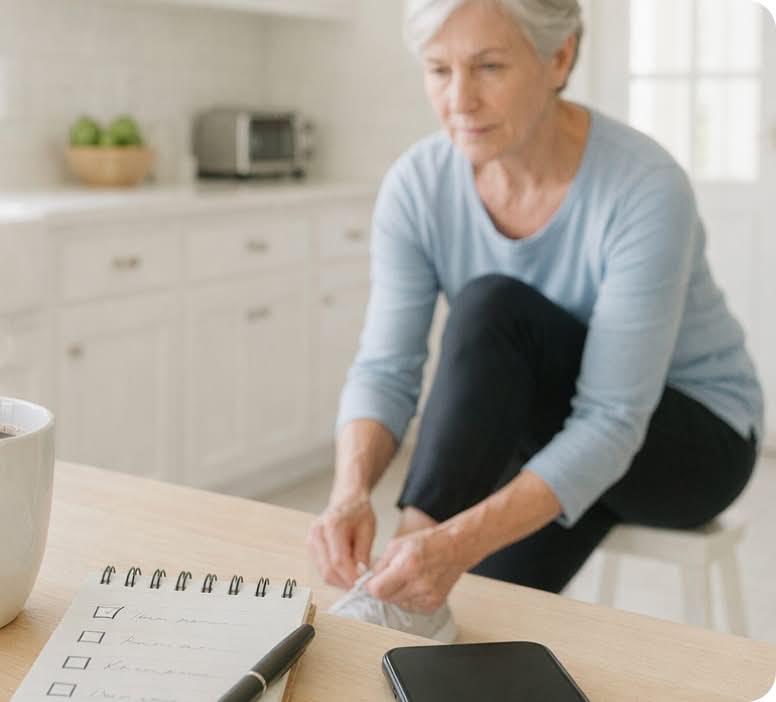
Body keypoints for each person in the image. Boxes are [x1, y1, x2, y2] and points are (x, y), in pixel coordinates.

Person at [309, 0, 764, 643]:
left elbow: (611, 419)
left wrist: (448, 540)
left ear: (560, 58)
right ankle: (412, 566)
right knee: (467, 618)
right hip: (557, 427)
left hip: (692, 438)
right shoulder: (417, 185)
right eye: (438, 70)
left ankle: (412, 545)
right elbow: (387, 367)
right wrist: (348, 492)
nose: (459, 100)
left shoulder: (644, 187)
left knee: (494, 306)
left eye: (488, 66)